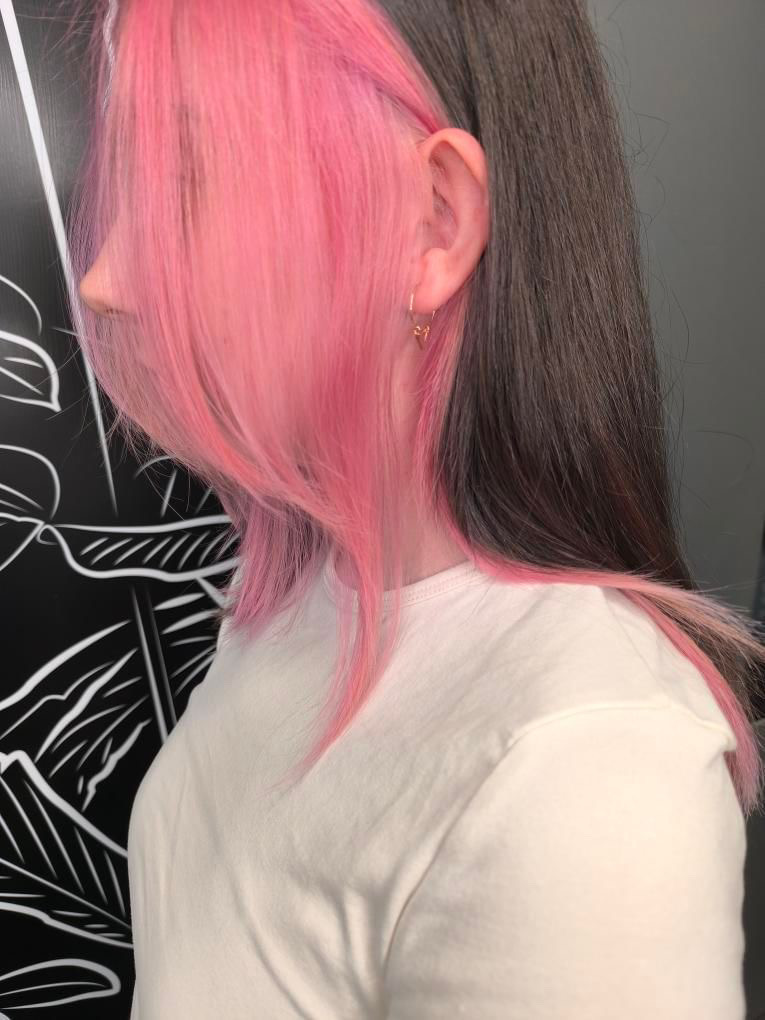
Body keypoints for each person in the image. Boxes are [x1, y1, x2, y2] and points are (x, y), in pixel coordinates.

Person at [72, 1, 763, 1017]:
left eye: (189, 179)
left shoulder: (583, 768)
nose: (107, 278)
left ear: (432, 222)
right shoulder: (304, 581)